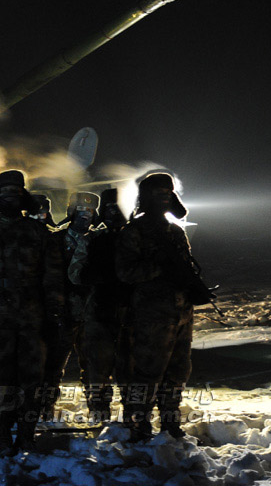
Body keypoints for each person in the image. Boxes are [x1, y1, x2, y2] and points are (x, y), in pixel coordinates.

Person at [0, 170, 64, 453]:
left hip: (32, 316)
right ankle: (1, 431)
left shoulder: (39, 233)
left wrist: (53, 315)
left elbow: (52, 278)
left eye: (16, 191)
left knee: (32, 378)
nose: (11, 196)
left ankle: (26, 432)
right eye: (6, 191)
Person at [116, 173, 200, 441]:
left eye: (168, 192)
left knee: (178, 371)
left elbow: (187, 267)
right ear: (146, 196)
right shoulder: (133, 231)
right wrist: (160, 267)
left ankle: (170, 423)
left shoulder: (176, 231)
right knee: (147, 373)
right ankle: (137, 424)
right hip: (151, 314)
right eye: (158, 192)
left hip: (181, 313)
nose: (164, 196)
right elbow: (126, 273)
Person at [40, 191, 100, 420]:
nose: (86, 215)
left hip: (91, 313)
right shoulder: (54, 239)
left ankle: (99, 413)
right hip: (61, 313)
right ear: (72, 212)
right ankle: (44, 412)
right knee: (52, 368)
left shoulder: (98, 241)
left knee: (96, 369)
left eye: (91, 211)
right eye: (81, 210)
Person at [77, 188, 130, 423]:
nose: (112, 213)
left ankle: (134, 417)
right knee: (97, 369)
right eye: (107, 209)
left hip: (130, 312)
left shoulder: (135, 239)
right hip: (100, 311)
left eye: (115, 208)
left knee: (132, 369)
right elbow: (75, 274)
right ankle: (99, 415)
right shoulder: (92, 240)